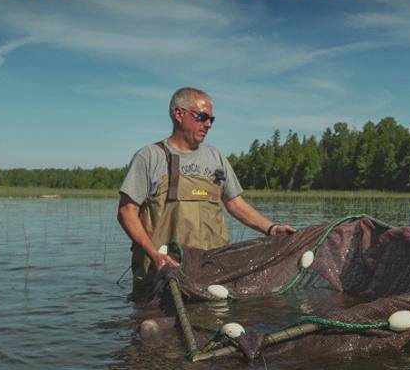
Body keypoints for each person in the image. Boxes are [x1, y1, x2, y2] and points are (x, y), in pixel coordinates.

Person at [117, 87, 296, 297]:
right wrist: (154, 254)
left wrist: (271, 228)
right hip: (161, 274)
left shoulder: (216, 157)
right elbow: (127, 212)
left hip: (211, 273)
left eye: (212, 119)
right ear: (178, 114)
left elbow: (235, 203)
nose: (208, 124)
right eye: (202, 117)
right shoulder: (149, 157)